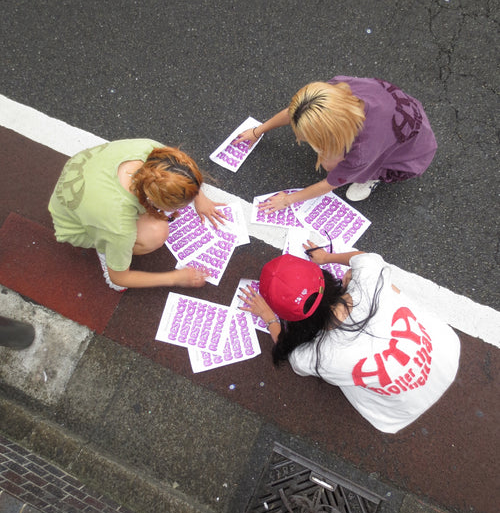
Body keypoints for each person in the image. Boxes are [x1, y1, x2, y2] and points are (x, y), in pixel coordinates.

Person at [239, 245, 460, 433]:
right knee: (390, 289)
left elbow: (287, 350)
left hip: (399, 411)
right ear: (323, 277)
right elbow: (364, 257)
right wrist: (327, 257)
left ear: (292, 320)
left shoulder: (316, 356)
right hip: (444, 351)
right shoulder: (370, 279)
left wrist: (269, 317)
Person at [49, 139, 226, 291]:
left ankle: (110, 245)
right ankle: (105, 251)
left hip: (87, 177)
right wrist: (175, 278)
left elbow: (181, 173)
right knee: (157, 233)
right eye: (176, 206)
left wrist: (198, 196)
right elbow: (120, 278)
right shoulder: (117, 223)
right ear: (153, 200)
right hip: (76, 226)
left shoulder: (154, 152)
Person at [234, 76, 437, 206]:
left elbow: (330, 182)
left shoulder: (361, 152)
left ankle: (372, 178)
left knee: (330, 164)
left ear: (334, 135)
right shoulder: (334, 92)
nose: (303, 139)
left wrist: (288, 200)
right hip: (405, 118)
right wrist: (258, 130)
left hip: (408, 159)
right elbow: (295, 112)